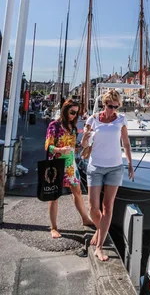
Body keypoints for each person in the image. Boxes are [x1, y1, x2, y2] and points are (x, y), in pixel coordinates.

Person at [81, 88, 134, 262]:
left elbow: (125, 143)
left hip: (115, 167)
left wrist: (130, 164)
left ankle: (99, 247)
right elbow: (84, 143)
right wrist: (84, 140)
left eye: (116, 106)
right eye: (110, 106)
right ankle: (100, 228)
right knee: (93, 208)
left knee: (108, 207)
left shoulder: (121, 119)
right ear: (104, 105)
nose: (113, 109)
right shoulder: (93, 119)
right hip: (95, 166)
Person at [45, 99, 92, 239]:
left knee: (77, 192)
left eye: (76, 113)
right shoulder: (54, 125)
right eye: (72, 112)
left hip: (70, 165)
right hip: (55, 164)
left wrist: (83, 144)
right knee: (54, 197)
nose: (73, 116)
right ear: (65, 110)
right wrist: (60, 149)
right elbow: (48, 147)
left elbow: (73, 149)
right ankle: (53, 227)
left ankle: (85, 218)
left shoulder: (72, 128)